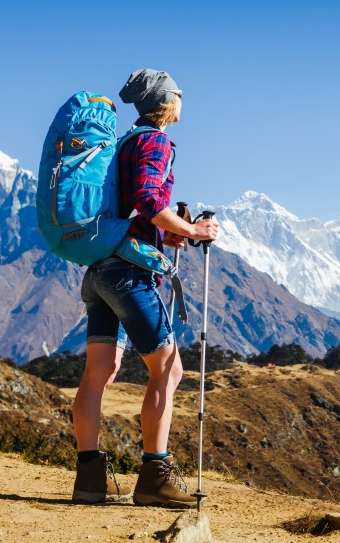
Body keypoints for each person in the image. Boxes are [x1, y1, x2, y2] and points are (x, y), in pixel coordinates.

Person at [71, 68, 219, 507]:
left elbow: (133, 209)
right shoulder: (153, 140)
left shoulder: (123, 143)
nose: (182, 96)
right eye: (178, 91)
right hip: (128, 274)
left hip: (99, 269)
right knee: (169, 369)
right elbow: (149, 201)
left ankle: (89, 481)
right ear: (166, 101)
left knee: (98, 373)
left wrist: (168, 233)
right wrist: (193, 232)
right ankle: (155, 475)